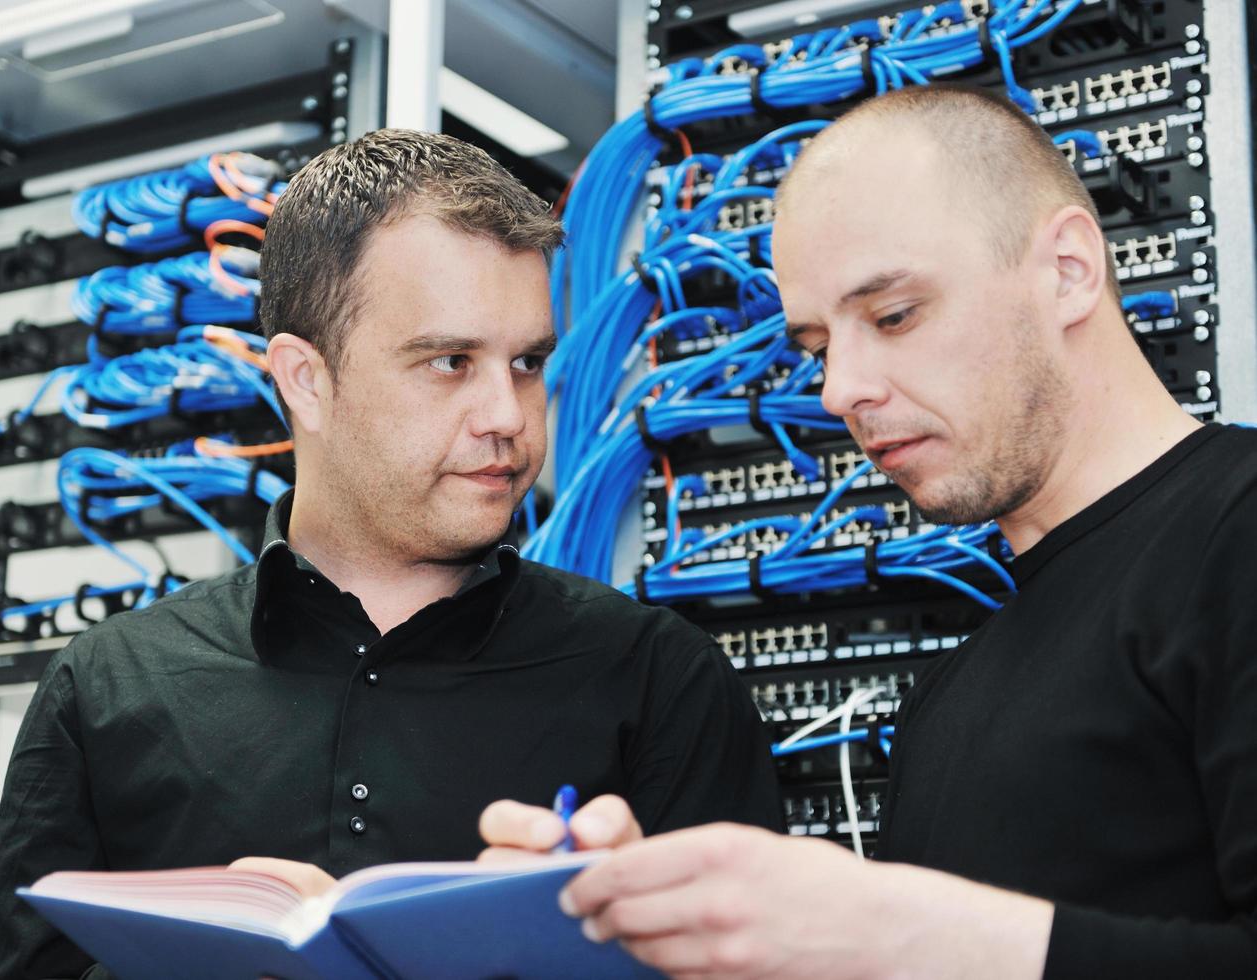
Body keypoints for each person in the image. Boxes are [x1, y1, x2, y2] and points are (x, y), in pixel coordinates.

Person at [478, 85, 1257, 978]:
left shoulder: (1235, 535)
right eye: (816, 348)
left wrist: (897, 932)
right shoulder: (947, 701)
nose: (839, 389)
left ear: (1070, 269)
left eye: (892, 316)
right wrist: (619, 924)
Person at [0, 129, 783, 980]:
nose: (506, 415)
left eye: (525, 362)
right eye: (448, 361)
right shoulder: (112, 685)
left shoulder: (658, 679)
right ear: (305, 380)